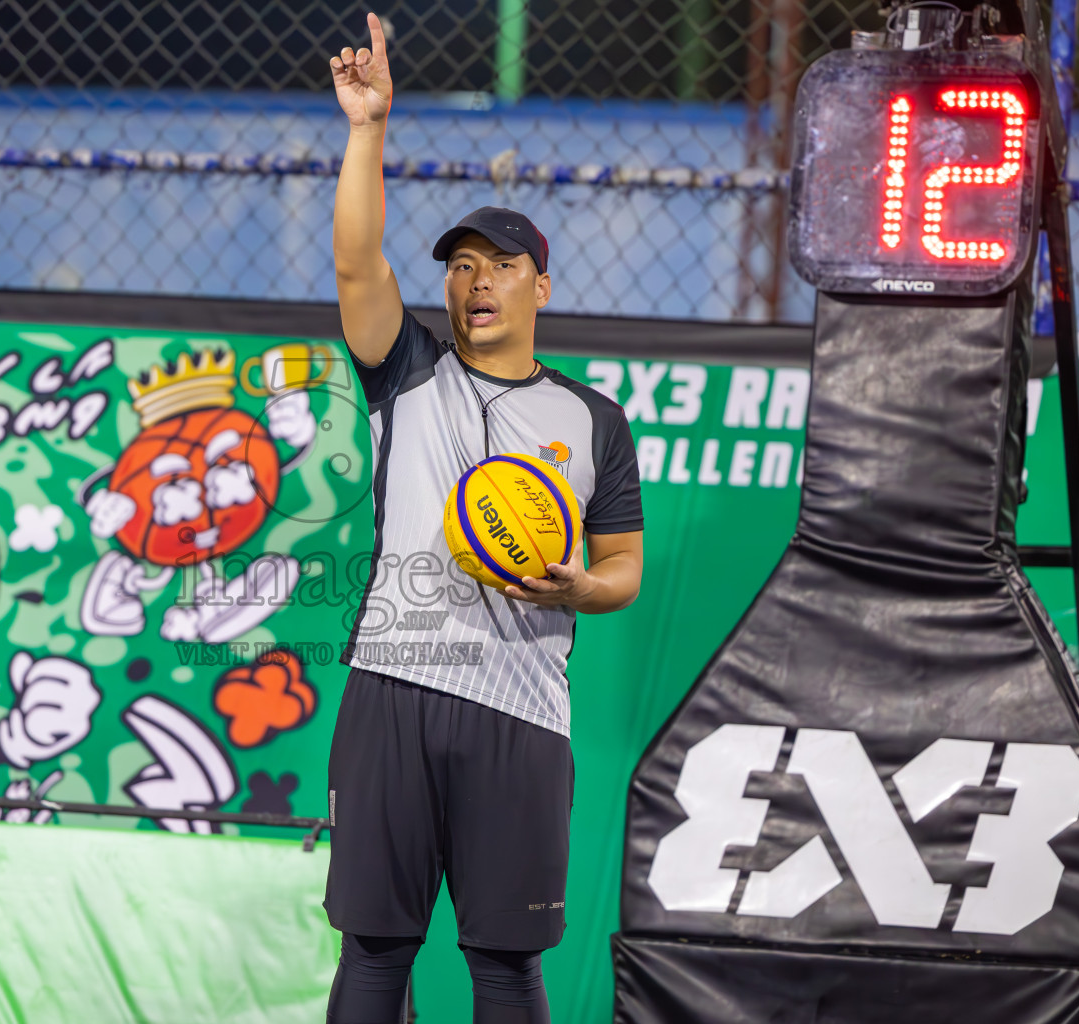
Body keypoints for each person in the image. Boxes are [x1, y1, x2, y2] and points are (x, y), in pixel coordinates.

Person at [323, 13, 645, 1023]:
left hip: (520, 712)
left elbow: (625, 565)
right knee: (376, 950)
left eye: (498, 264)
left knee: (506, 964)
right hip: (396, 682)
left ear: (539, 284)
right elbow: (354, 264)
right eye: (459, 266)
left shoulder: (593, 421)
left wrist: (578, 588)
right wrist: (368, 127)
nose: (475, 282)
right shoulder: (408, 372)